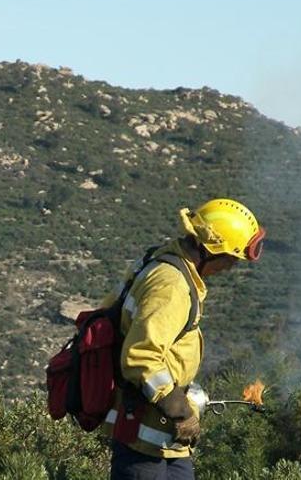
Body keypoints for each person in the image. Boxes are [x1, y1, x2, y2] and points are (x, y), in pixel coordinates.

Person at [102, 198, 266, 480]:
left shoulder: (166, 260)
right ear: (211, 250)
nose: (230, 268)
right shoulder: (172, 284)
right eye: (231, 259)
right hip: (144, 439)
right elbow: (141, 357)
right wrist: (179, 409)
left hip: (166, 441)